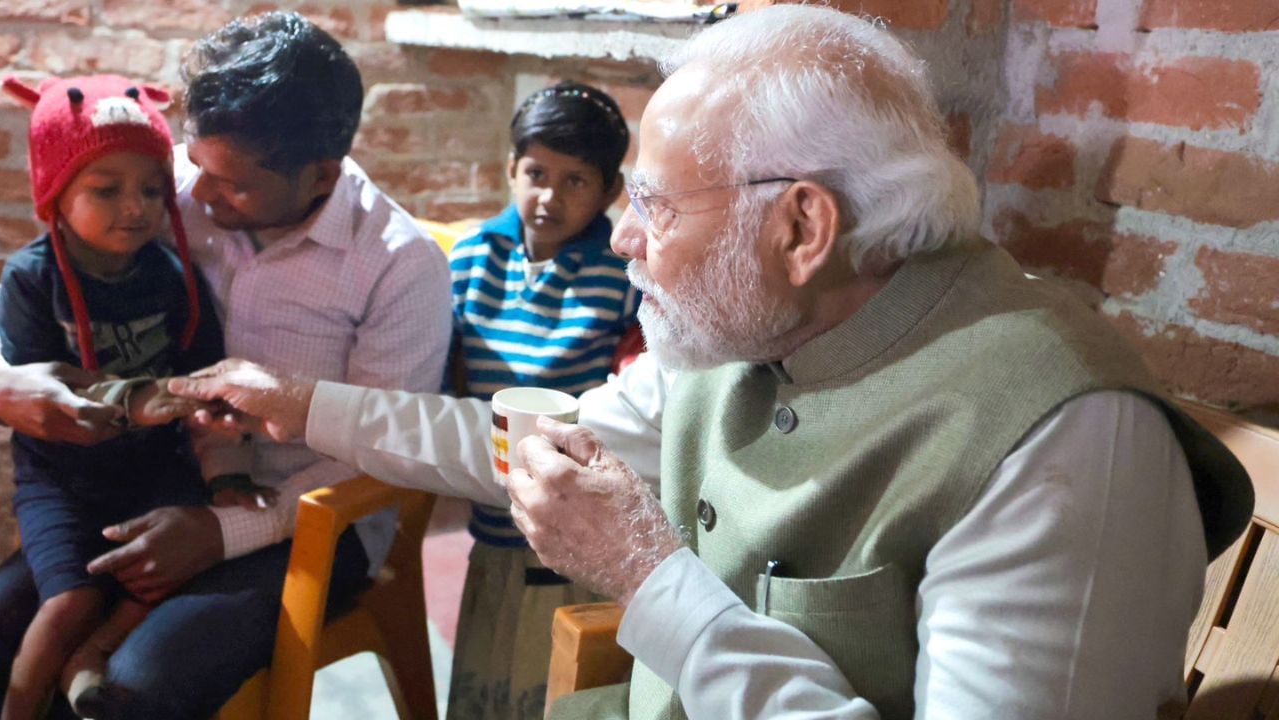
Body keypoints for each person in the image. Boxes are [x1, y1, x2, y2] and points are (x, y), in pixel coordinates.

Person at [139, 5, 1265, 718]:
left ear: (800, 227)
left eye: (654, 206)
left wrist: (645, 575)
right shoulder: (747, 323)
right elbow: (519, 438)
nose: (619, 238)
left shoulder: (1059, 443)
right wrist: (301, 402)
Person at [0, 12, 452, 719]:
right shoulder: (165, 185)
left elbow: (384, 452)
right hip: (151, 480)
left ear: (320, 176)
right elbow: (47, 287)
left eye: (231, 186)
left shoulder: (399, 266)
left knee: (133, 687)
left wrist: (222, 529)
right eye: (195, 165)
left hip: (307, 519)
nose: (194, 196)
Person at [0, 73, 244, 720]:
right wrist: (144, 399)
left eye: (151, 190)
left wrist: (228, 474)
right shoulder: (30, 280)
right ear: (55, 193)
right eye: (105, 191)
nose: (135, 208)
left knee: (159, 572)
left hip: (154, 466)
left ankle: (92, 659)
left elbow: (206, 381)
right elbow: (42, 393)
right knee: (70, 601)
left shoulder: (174, 277)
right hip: (58, 476)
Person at [445, 79, 638, 719]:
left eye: (575, 181)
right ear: (510, 169)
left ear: (611, 190)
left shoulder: (621, 276)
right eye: (535, 173)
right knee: (482, 680)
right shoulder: (472, 256)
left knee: (549, 687)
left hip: (572, 526)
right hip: (491, 518)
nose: (548, 197)